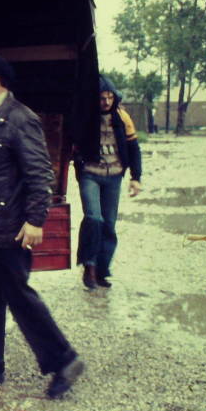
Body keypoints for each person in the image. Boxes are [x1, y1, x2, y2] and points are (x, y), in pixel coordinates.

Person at [0, 54, 84, 399]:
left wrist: (36, 219)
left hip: (10, 228)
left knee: (19, 296)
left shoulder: (21, 119)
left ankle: (64, 360)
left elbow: (40, 174)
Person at [74, 75, 143, 289]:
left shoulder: (122, 117)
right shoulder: (85, 118)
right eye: (101, 98)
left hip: (114, 175)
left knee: (109, 224)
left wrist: (135, 177)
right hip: (90, 174)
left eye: (109, 97)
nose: (105, 102)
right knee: (94, 218)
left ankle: (103, 270)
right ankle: (89, 266)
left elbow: (133, 148)